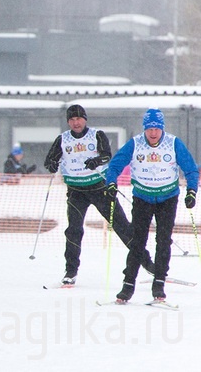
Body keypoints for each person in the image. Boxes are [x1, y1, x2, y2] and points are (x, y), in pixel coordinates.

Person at [43, 104, 155, 287]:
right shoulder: (62, 139)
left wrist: (96, 160)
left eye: (79, 119)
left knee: (122, 226)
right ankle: (70, 271)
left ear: (85, 119)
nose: (75, 122)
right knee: (74, 230)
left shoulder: (96, 135)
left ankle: (148, 263)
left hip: (99, 188)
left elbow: (106, 155)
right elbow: (50, 161)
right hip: (76, 191)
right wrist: (52, 164)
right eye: (71, 119)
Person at [104, 108, 198, 303]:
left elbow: (191, 169)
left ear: (162, 128)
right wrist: (111, 183)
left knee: (163, 242)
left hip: (167, 199)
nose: (153, 133)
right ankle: (127, 286)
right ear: (144, 129)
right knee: (137, 242)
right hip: (142, 198)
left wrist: (191, 192)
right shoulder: (135, 143)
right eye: (149, 129)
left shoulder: (173, 143)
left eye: (156, 128)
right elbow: (114, 165)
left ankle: (159, 286)